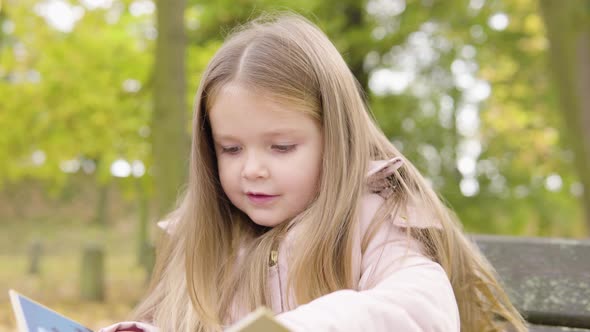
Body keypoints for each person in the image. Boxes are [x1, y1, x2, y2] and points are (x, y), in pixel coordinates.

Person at [100, 12, 527, 332]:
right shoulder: (210, 237)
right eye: (230, 149)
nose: (252, 170)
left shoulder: (375, 222)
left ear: (336, 138)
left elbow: (422, 308)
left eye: (281, 147)